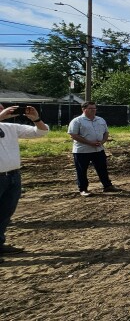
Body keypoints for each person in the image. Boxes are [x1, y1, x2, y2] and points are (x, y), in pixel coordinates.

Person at [0, 104, 48, 260]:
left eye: (2, 108)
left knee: (5, 213)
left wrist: (36, 119)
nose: (3, 111)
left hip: (12, 176)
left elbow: (41, 132)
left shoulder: (10, 127)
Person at [67, 101, 118, 196]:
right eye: (90, 109)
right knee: (82, 170)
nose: (93, 110)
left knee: (102, 168)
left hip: (98, 150)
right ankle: (83, 189)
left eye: (94, 108)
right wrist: (89, 143)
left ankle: (107, 186)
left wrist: (102, 142)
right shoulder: (77, 121)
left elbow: (106, 132)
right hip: (82, 151)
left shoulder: (100, 120)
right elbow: (73, 135)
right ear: (84, 109)